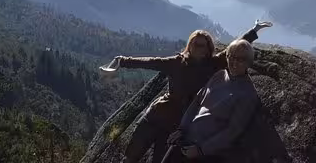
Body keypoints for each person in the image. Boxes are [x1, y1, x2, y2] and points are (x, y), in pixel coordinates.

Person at [105, 21, 272, 163]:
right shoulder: (176, 62)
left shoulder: (213, 64)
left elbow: (236, 49)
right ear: (189, 45)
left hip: (175, 126)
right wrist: (122, 61)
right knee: (130, 157)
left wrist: (254, 31)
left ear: (208, 48)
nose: (197, 47)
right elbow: (151, 62)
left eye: (202, 44)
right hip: (155, 117)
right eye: (194, 43)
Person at [168, 39, 259, 162]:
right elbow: (197, 101)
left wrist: (201, 149)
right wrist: (181, 129)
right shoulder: (219, 76)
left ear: (249, 62)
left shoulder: (247, 93)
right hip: (186, 139)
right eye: (231, 56)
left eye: (240, 59)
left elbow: (233, 131)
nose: (234, 62)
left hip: (206, 153)